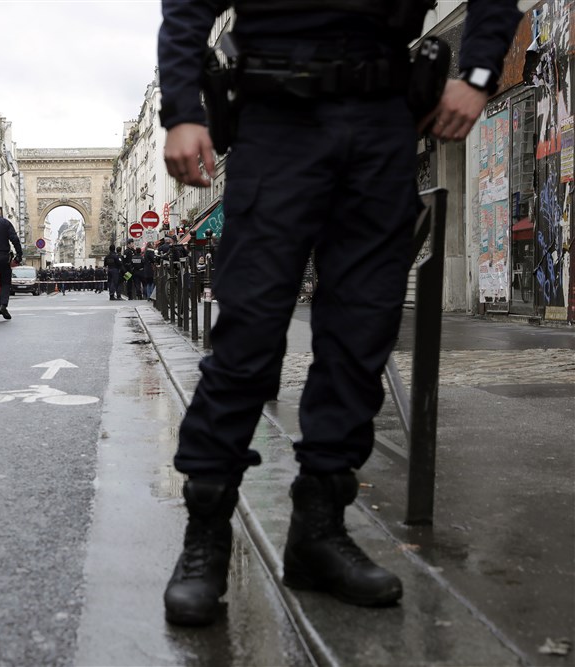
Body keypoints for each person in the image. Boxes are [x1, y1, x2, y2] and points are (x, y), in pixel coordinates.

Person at [158, 0, 522, 627]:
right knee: (247, 336)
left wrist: (481, 71)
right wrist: (182, 110)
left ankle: (319, 531)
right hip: (276, 120)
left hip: (382, 118)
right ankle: (205, 538)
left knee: (360, 337)